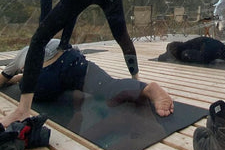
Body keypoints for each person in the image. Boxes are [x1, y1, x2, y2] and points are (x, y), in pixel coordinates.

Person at [1, 0, 140, 128]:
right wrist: (63, 44)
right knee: (122, 36)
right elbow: (72, 14)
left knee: (37, 40)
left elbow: (45, 12)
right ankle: (136, 83)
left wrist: (43, 37)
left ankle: (23, 110)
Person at [0, 39, 174, 117]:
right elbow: (76, 52)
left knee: (26, 85)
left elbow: (2, 78)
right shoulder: (53, 40)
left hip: (44, 76)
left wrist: (11, 77)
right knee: (108, 85)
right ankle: (147, 88)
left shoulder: (22, 53)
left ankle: (21, 78)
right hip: (71, 60)